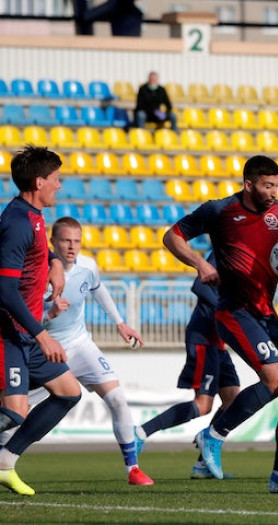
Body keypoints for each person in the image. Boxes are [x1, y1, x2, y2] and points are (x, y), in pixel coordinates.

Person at [162, 154, 278, 494]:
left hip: (267, 315)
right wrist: (200, 263)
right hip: (234, 311)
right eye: (267, 185)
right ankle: (212, 436)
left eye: (277, 184)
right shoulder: (220, 211)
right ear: (249, 184)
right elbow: (172, 237)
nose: (274, 191)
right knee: (274, 380)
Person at [33, 216, 152, 486]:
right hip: (47, 350)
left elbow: (99, 291)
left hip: (80, 343)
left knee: (118, 399)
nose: (72, 246)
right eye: (65, 240)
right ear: (53, 242)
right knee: (16, 412)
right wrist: (49, 313)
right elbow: (27, 318)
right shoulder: (40, 274)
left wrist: (120, 324)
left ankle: (132, 469)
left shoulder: (88, 266)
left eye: (76, 241)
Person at [0, 146, 82, 496]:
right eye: (56, 180)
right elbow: (4, 289)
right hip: (9, 332)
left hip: (26, 334)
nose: (59, 186)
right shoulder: (17, 222)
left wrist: (54, 262)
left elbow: (36, 248)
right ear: (39, 181)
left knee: (69, 392)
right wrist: (42, 335)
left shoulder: (32, 216)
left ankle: (5, 462)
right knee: (15, 412)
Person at [135, 253, 241, 480]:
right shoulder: (222, 252)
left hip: (218, 340)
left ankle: (203, 464)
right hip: (203, 337)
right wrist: (226, 309)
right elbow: (200, 287)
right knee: (203, 405)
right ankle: (141, 433)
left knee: (233, 399)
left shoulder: (244, 256)